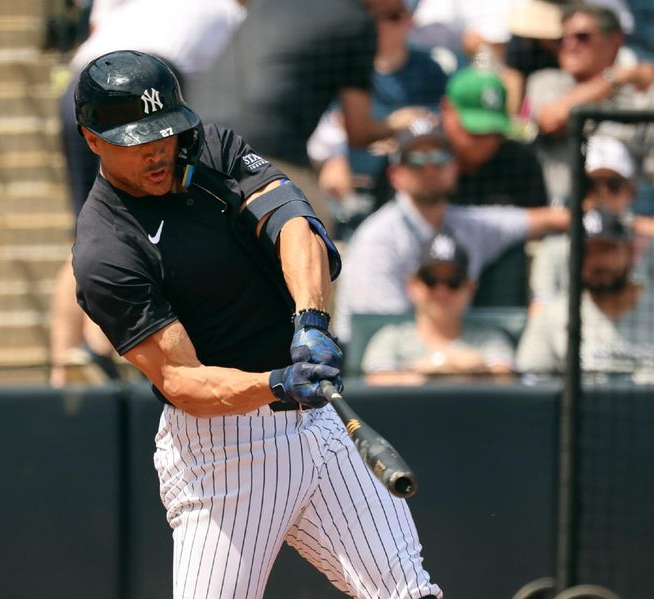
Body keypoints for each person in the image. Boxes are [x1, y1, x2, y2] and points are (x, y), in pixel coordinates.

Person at [71, 50, 443, 599]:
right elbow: (181, 381)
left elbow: (295, 223)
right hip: (223, 455)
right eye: (136, 141)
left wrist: (312, 320)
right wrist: (274, 384)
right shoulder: (106, 249)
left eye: (166, 133)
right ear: (93, 140)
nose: (158, 152)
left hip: (318, 427)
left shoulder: (211, 150)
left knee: (409, 595)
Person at [50, 0, 249, 386]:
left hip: (81, 85)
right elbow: (226, 88)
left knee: (89, 230)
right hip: (139, 98)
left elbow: (95, 33)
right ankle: (98, 349)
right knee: (124, 223)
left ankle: (63, 364)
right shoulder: (229, 13)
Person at [333, 116, 570, 343]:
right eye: (415, 159)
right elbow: (379, 336)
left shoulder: (466, 224)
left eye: (439, 156)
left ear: (454, 166)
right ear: (395, 175)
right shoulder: (378, 238)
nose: (429, 167)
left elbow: (534, 220)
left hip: (446, 363)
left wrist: (594, 217)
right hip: (379, 369)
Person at [189, 0, 412, 232]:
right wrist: (399, 123)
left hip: (194, 138)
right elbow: (359, 132)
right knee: (317, 236)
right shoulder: (356, 22)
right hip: (264, 151)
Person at [516, 206, 654, 381]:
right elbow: (530, 381)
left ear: (630, 252)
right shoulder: (555, 314)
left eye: (606, 249)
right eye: (586, 252)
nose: (596, 261)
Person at [306, 0, 454, 228]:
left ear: (409, 20)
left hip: (411, 184)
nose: (383, 25)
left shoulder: (430, 70)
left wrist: (396, 140)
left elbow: (437, 126)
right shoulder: (344, 64)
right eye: (375, 16)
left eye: (393, 17)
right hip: (349, 190)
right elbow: (332, 129)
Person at [525, 4, 654, 205]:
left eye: (582, 37)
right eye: (562, 39)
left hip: (630, 221)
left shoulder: (648, 94)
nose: (569, 45)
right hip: (562, 219)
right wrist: (613, 79)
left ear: (614, 42)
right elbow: (551, 120)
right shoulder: (545, 81)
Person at [529, 135, 654, 315]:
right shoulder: (554, 249)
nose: (602, 195)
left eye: (613, 185)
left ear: (631, 192)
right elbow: (539, 317)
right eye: (590, 185)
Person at [361, 232, 515, 384]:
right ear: (412, 286)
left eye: (453, 282)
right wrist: (442, 364)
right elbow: (377, 382)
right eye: (430, 281)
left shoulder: (489, 338)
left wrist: (419, 372)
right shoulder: (391, 337)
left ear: (470, 288)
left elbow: (505, 379)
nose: (441, 292)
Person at [441, 67, 549, 208]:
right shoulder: (427, 159)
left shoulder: (519, 161)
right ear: (447, 110)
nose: (487, 142)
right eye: (476, 132)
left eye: (494, 132)